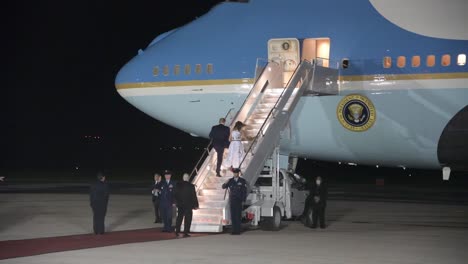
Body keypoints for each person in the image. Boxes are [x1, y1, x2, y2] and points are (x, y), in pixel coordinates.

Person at [222, 168, 248, 235]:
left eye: (236, 173)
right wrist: (226, 182)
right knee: (233, 216)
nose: (235, 174)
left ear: (238, 173)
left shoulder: (242, 181)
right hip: (232, 200)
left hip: (239, 200)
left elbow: (244, 191)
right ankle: (234, 230)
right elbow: (223, 187)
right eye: (234, 173)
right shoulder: (230, 180)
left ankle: (238, 230)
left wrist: (243, 200)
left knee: (238, 215)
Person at [175, 173, 199, 237]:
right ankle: (185, 232)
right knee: (188, 219)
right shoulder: (191, 186)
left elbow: (175, 194)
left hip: (180, 205)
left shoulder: (178, 185)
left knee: (179, 218)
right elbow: (194, 196)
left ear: (183, 178)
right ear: (188, 178)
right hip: (188, 206)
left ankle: (177, 231)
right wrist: (196, 205)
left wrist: (176, 202)